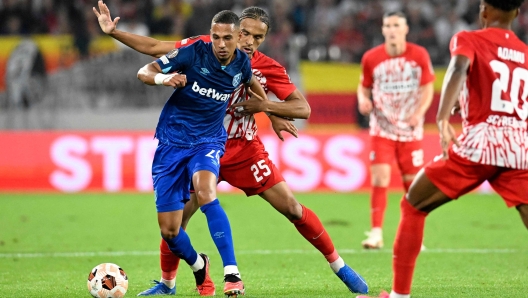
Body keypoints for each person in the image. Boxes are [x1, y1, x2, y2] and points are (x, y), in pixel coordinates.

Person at [93, 2, 369, 296]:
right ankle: (167, 283)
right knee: (177, 221)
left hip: (243, 150)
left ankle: (339, 265)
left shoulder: (265, 67)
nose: (249, 42)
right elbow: (155, 47)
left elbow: (302, 107)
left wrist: (269, 109)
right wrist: (114, 33)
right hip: (198, 146)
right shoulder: (206, 47)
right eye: (245, 34)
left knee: (290, 206)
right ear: (236, 31)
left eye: (257, 37)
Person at [358, 0, 528, 297]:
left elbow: (460, 66)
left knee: (412, 205)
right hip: (519, 148)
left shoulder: (468, 39)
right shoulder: (526, 54)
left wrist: (442, 114)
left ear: (484, 10)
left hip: (480, 145)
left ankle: (399, 295)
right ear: (517, 13)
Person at [135, 10, 269, 297]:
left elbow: (256, 91)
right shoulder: (193, 53)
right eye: (216, 37)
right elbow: (144, 72)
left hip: (208, 141)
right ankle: (199, 265)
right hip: (171, 142)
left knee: (207, 192)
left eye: (227, 38)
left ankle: (232, 273)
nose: (221, 44)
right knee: (170, 231)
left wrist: (271, 112)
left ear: (238, 38)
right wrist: (164, 80)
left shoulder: (242, 64)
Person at [357, 11, 435, 249]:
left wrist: (419, 113)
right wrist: (363, 100)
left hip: (411, 130)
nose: (391, 29)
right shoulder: (371, 57)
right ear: (382, 30)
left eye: (396, 25)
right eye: (387, 25)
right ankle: (376, 233)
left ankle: (413, 236)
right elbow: (364, 86)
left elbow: (428, 87)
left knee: (412, 184)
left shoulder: (419, 55)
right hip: (382, 127)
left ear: (405, 29)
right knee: (380, 177)